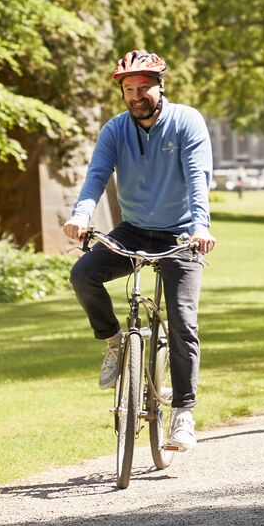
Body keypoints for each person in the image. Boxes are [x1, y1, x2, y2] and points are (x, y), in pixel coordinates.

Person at [63, 50, 217, 452]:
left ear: (159, 86)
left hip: (181, 234)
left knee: (183, 322)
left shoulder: (186, 122)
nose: (136, 95)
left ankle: (183, 413)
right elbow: (97, 175)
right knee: (83, 274)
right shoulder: (115, 130)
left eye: (143, 87)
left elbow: (198, 179)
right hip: (133, 231)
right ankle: (114, 341)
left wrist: (201, 226)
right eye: (129, 89)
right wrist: (80, 215)